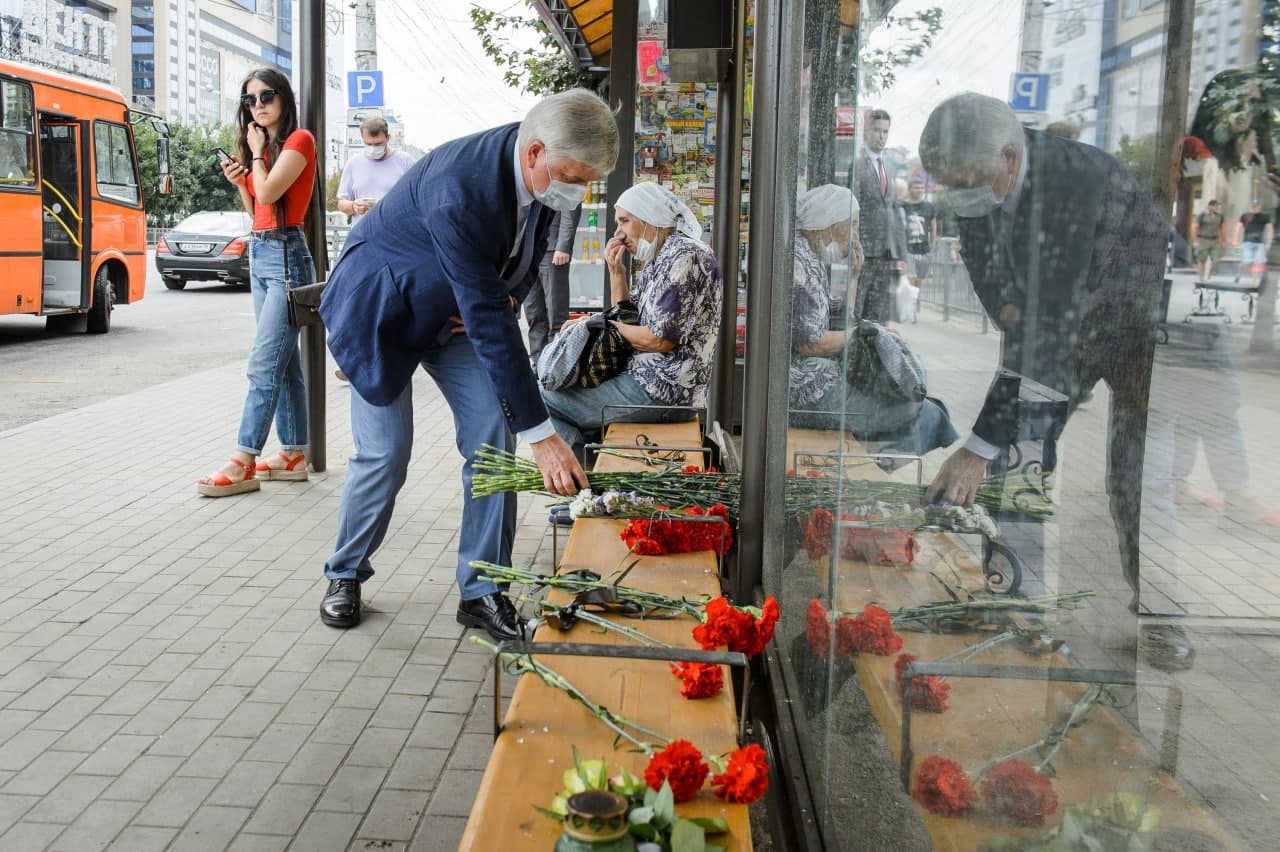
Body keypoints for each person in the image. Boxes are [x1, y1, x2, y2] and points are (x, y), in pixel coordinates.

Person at [316, 89, 618, 640]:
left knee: (491, 440)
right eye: (577, 177)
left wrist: (501, 297)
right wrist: (544, 436)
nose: (583, 190)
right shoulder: (460, 186)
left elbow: (519, 271)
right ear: (535, 154)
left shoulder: (544, 179)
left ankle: (482, 589)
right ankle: (345, 572)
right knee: (386, 455)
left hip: (452, 313)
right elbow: (492, 325)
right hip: (382, 311)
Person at [917, 93, 1175, 658]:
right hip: (1059, 325)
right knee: (1022, 451)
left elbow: (1049, 334)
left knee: (1137, 475)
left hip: (1133, 324)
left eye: (967, 181)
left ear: (1010, 157)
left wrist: (975, 448)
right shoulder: (984, 182)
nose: (960, 196)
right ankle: (1018, 601)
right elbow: (988, 266)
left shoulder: (1073, 187)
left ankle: (1162, 609)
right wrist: (1008, 309)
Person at [196, 69, 317, 497]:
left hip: (287, 257)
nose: (259, 105)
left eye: (267, 96)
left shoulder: (299, 141)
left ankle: (244, 459)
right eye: (250, 100)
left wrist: (257, 156)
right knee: (284, 365)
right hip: (262, 251)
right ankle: (292, 454)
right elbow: (257, 209)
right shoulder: (264, 150)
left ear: (283, 99)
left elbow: (269, 195)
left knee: (263, 364)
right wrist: (240, 182)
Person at [540, 182, 722, 454]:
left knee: (540, 400)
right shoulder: (661, 256)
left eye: (624, 221)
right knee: (550, 392)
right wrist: (617, 273)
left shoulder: (686, 255)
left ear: (650, 217)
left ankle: (581, 481)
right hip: (645, 380)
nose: (619, 233)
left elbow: (659, 340)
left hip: (665, 391)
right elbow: (630, 319)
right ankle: (589, 475)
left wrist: (600, 324)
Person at [789, 184, 957, 455]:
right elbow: (811, 343)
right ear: (830, 225)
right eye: (853, 225)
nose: (856, 234)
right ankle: (873, 469)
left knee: (926, 408)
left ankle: (871, 465)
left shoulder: (810, 258)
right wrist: (864, 332)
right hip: (806, 389)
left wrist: (855, 280)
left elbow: (836, 319)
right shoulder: (799, 262)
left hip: (820, 379)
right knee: (919, 412)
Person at [849, 109, 907, 322]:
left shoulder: (889, 169)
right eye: (877, 131)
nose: (881, 136)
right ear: (867, 131)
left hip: (886, 251)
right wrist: (855, 245)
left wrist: (901, 253)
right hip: (865, 249)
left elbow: (894, 211)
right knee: (859, 307)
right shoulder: (856, 166)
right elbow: (852, 208)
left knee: (880, 311)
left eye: (885, 131)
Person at [527, 203, 581, 371]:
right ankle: (538, 364)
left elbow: (571, 206)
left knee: (556, 313)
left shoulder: (561, 177)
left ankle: (556, 364)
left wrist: (563, 246)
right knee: (533, 313)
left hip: (552, 251)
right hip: (528, 252)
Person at [336, 115, 414, 224]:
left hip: (396, 234)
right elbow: (341, 203)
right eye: (368, 144)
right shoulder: (353, 163)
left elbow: (416, 199)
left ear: (388, 138)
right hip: (363, 235)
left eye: (378, 144)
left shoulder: (405, 162)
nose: (373, 148)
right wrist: (354, 206)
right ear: (362, 139)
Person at [900, 177, 937, 314]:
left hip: (924, 250)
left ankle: (915, 303)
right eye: (916, 187)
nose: (920, 190)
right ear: (910, 189)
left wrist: (933, 247)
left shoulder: (929, 207)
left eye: (921, 188)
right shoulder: (902, 205)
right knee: (911, 280)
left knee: (919, 281)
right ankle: (912, 307)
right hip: (908, 250)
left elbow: (933, 228)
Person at [1234, 199, 1273, 286]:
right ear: (1251, 206)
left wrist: (1269, 243)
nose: (1255, 208)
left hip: (1259, 243)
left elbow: (1270, 229)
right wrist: (1236, 240)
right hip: (1247, 242)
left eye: (1256, 206)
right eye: (1253, 206)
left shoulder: (1265, 216)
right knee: (1246, 262)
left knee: (1257, 263)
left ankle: (1254, 283)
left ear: (1259, 207)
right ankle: (1238, 274)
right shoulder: (1245, 215)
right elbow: (1238, 227)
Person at [1193, 200, 1224, 282]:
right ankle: (1201, 279)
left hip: (1214, 240)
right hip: (1203, 239)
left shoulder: (1219, 216)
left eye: (1217, 206)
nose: (1216, 208)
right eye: (1215, 206)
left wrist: (1221, 240)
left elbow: (1220, 228)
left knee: (1216, 259)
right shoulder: (1202, 215)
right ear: (1210, 206)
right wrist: (1195, 240)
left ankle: (1209, 274)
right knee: (1202, 260)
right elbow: (1195, 227)